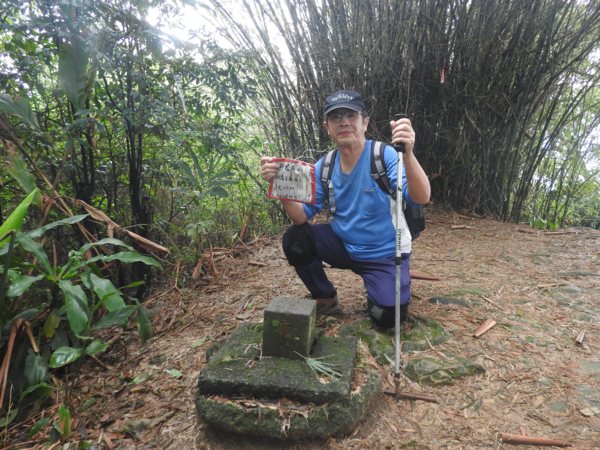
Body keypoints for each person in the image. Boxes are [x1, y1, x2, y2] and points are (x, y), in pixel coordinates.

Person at [259, 90, 430, 328]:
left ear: (365, 122)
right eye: (336, 117)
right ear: (327, 127)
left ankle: (390, 283)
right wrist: (280, 186)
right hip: (343, 245)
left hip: (384, 253)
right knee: (296, 239)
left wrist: (408, 154)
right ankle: (325, 298)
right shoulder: (325, 166)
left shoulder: (383, 155)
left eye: (351, 115)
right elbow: (300, 217)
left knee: (387, 318)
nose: (344, 122)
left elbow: (420, 197)